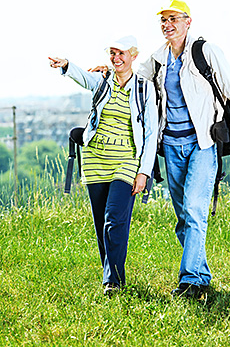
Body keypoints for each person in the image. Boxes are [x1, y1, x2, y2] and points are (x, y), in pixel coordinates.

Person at [137, 0, 230, 298]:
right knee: (184, 217)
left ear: (188, 22)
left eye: (173, 19)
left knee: (194, 209)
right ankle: (201, 276)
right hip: (171, 145)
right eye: (163, 20)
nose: (167, 25)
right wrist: (109, 72)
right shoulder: (159, 58)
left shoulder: (206, 52)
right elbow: (134, 79)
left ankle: (189, 281)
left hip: (203, 144)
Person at [48, 35, 158, 296]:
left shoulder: (144, 88)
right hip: (95, 157)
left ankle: (114, 281)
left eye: (122, 54)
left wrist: (144, 171)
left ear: (133, 55)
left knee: (114, 219)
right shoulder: (102, 81)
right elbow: (83, 78)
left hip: (127, 160)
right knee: (101, 223)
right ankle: (111, 274)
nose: (117, 58)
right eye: (112, 54)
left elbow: (152, 131)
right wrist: (67, 65)